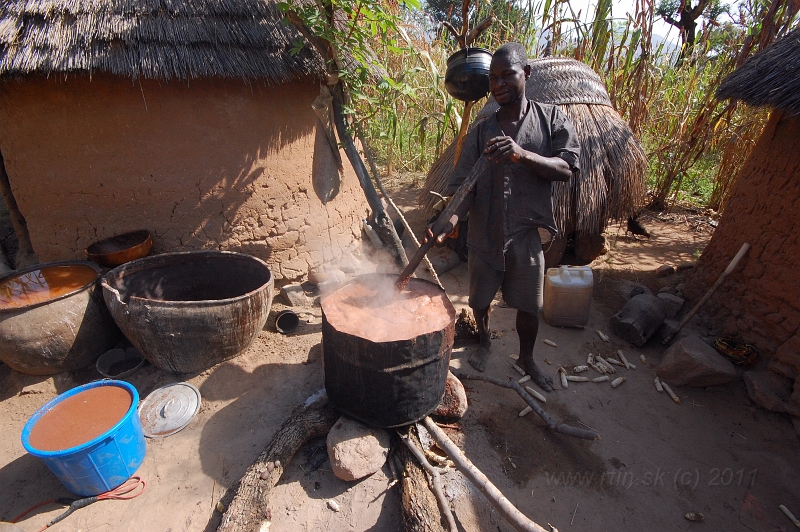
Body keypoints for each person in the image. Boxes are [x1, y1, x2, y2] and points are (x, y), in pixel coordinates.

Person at [426, 42, 580, 391]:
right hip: (484, 235)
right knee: (480, 301)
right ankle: (484, 339)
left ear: (526, 73)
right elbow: (465, 188)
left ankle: (526, 357)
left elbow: (565, 168)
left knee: (530, 305)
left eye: (507, 75)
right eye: (493, 78)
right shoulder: (481, 131)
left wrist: (521, 154)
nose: (498, 84)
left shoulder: (551, 119)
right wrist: (447, 224)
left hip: (526, 235)